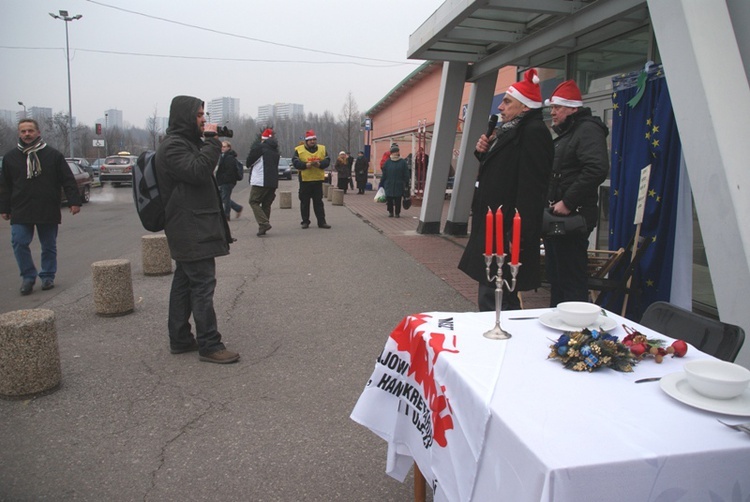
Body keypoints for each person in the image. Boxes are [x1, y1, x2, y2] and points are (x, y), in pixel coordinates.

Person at [458, 68, 554, 311]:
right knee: (492, 291)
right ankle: (497, 333)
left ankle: (503, 338)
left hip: (508, 227)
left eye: (507, 102)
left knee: (498, 294)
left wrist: (517, 234)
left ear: (525, 107)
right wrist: (483, 153)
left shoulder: (533, 133)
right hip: (494, 223)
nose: (500, 107)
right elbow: (504, 171)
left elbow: (532, 187)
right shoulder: (509, 131)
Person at [155, 95, 239, 364]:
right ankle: (210, 345)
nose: (203, 119)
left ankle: (180, 338)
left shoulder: (184, 143)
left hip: (193, 225)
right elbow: (199, 172)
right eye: (199, 114)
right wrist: (213, 143)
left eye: (204, 114)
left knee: (184, 284)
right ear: (185, 116)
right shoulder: (172, 147)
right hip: (190, 228)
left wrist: (206, 142)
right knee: (202, 285)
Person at [544, 80, 609, 306]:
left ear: (572, 108)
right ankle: (558, 322)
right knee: (558, 276)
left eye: (557, 107)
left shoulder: (587, 130)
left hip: (572, 217)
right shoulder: (570, 132)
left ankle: (573, 333)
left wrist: (568, 202)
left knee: (570, 278)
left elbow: (597, 168)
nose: (552, 112)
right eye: (551, 107)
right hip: (560, 217)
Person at [0, 119, 82, 295]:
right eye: (23, 131)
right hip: (21, 208)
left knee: (48, 245)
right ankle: (28, 277)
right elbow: (5, 186)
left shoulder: (53, 155)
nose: (27, 134)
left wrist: (74, 201)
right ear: (19, 134)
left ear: (38, 133)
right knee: (19, 242)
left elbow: (67, 179)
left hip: (47, 207)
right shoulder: (10, 158)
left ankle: (47, 276)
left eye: (30, 130)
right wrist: (4, 208)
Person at [292, 130, 331, 229]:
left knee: (318, 202)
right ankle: (305, 221)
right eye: (310, 140)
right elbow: (295, 162)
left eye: (314, 139)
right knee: (305, 202)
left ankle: (321, 222)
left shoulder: (322, 148)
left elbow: (327, 160)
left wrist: (320, 164)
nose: (313, 142)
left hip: (317, 179)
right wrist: (305, 165)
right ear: (306, 141)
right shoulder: (299, 150)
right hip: (305, 180)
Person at [246, 128, 280, 236]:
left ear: (262, 139)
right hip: (273, 181)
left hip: (260, 180)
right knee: (266, 204)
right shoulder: (276, 151)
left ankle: (264, 223)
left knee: (253, 201)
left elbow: (249, 162)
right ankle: (262, 227)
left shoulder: (259, 148)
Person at [215, 140, 243, 221]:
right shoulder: (223, 156)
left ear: (229, 148)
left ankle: (226, 215)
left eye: (224, 147)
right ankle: (238, 208)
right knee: (223, 198)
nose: (222, 148)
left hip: (227, 181)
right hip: (224, 181)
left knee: (225, 198)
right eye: (221, 146)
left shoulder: (229, 158)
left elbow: (229, 171)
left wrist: (222, 179)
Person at [380, 144, 409, 218]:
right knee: (389, 199)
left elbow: (406, 173)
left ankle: (397, 213)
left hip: (398, 184)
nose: (396, 153)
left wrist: (406, 182)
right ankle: (390, 212)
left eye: (397, 151)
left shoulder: (402, 162)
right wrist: (382, 182)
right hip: (389, 183)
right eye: (394, 152)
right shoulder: (388, 162)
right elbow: (384, 173)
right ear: (391, 153)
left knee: (398, 199)